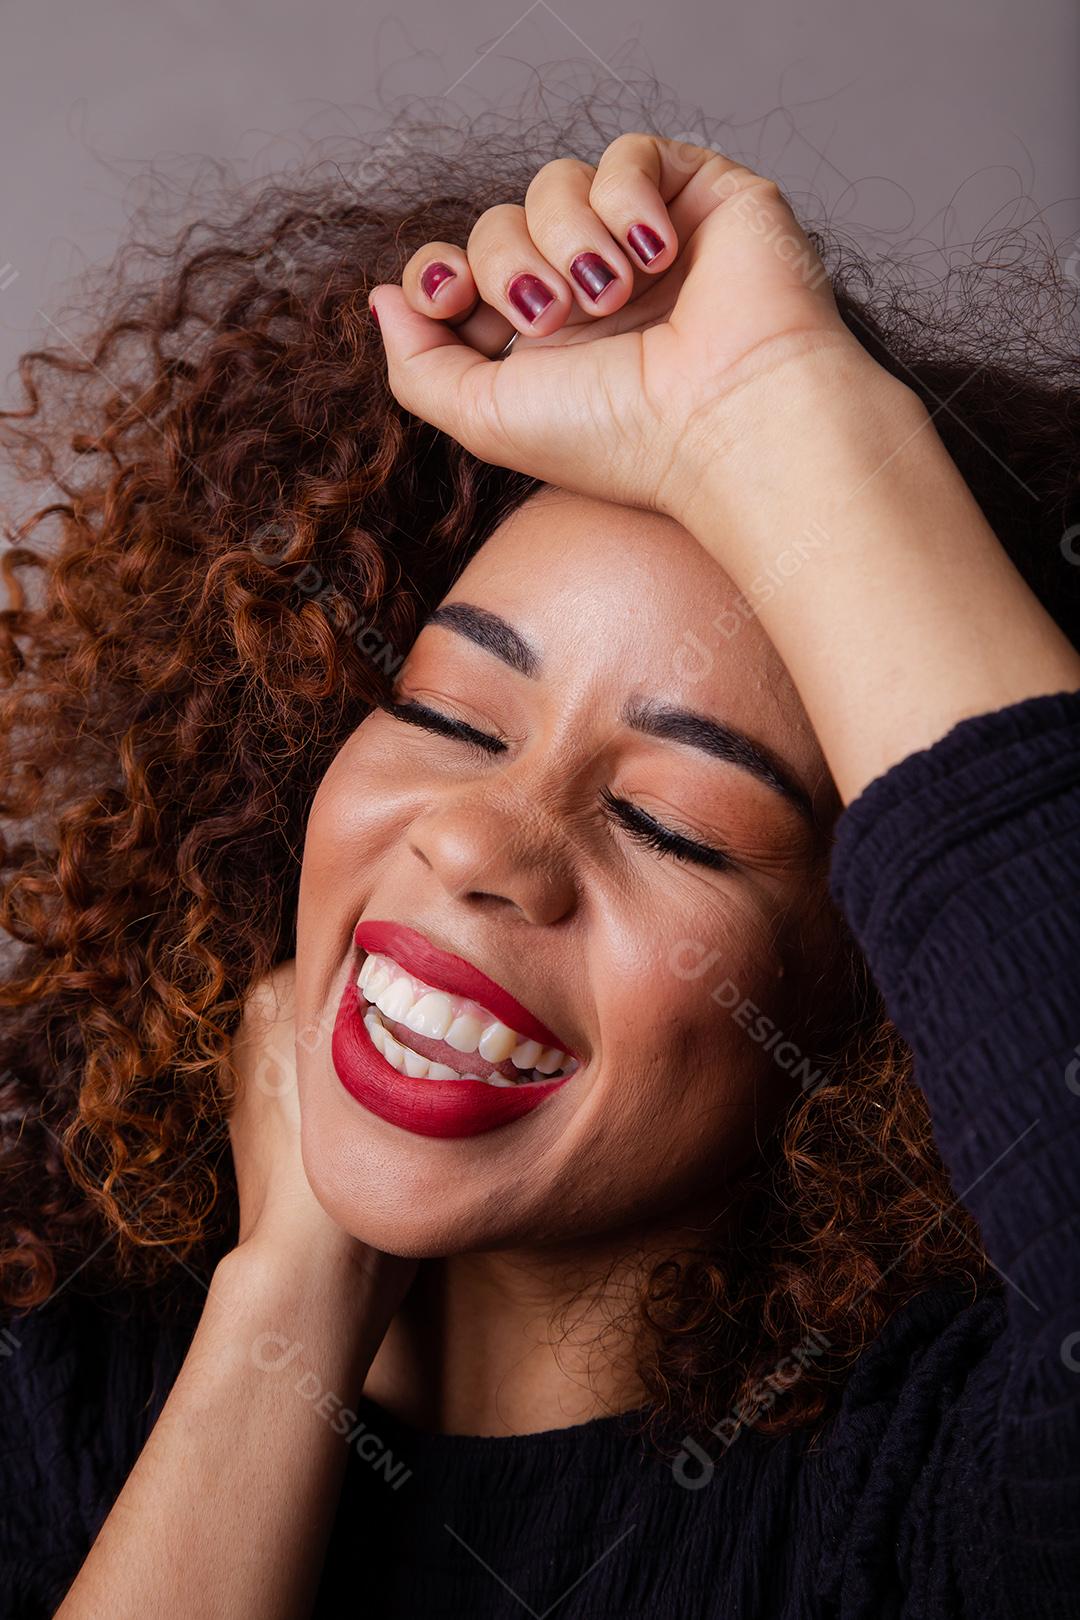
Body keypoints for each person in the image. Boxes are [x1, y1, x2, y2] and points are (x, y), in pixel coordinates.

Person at [1, 110, 1078, 1618]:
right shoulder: (61, 1351)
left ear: (879, 990)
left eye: (677, 826)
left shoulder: (948, 1503)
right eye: (445, 713)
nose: (488, 842)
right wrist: (279, 1318)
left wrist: (780, 418)